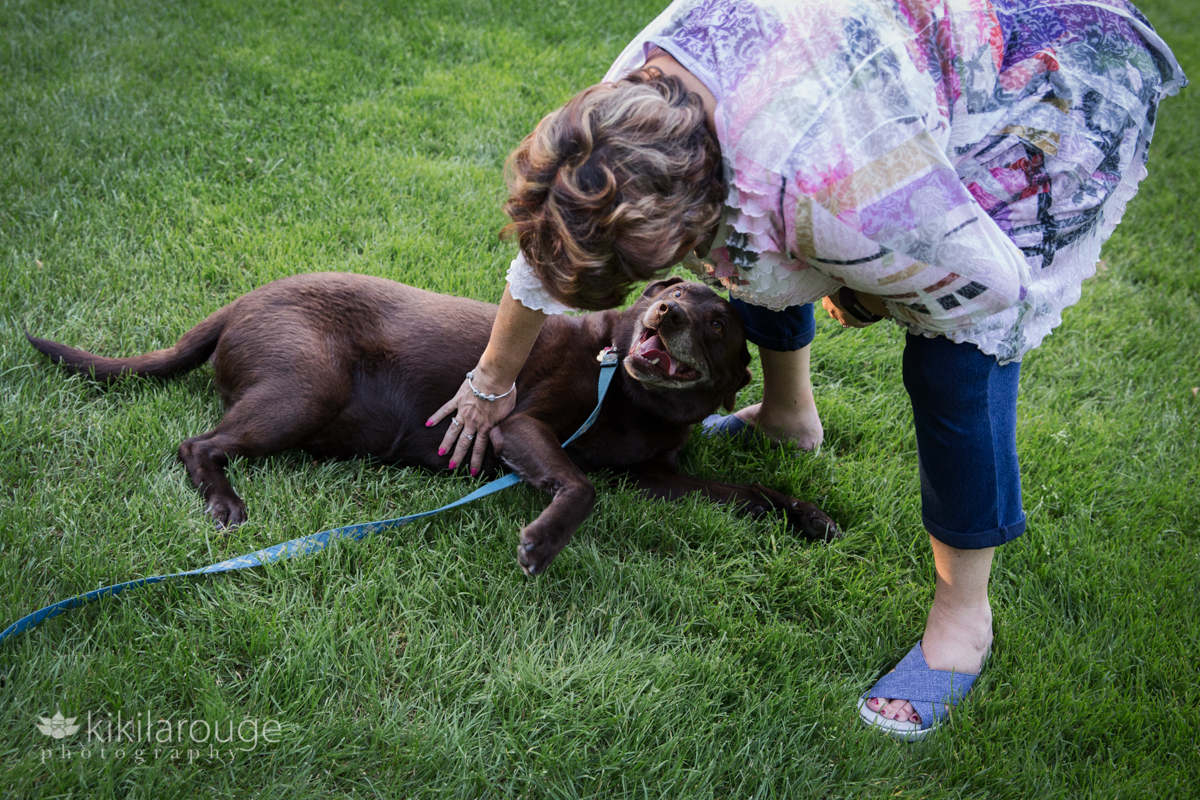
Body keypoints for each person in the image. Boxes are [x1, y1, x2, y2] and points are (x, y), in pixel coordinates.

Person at [427, 0, 1186, 738]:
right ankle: (789, 418)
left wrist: (860, 289)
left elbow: (993, 288)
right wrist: (491, 378)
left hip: (1040, 81)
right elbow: (559, 239)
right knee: (757, 254)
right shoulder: (620, 116)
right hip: (843, 76)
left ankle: (963, 619)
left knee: (951, 366)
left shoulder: (833, 197)